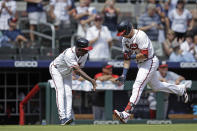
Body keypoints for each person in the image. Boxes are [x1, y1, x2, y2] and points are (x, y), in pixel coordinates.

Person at [113, 20, 190, 123]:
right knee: (156, 86)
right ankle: (180, 89)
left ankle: (126, 113)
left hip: (150, 61)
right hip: (141, 63)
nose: (124, 36)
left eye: (124, 33)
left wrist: (131, 56)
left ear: (129, 29)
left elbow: (144, 54)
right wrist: (124, 74)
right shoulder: (124, 40)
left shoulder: (140, 35)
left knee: (137, 86)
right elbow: (126, 59)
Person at [49, 38, 97, 125]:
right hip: (56, 69)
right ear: (78, 49)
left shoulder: (85, 55)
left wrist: (77, 76)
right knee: (60, 91)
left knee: (68, 93)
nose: (87, 51)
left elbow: (79, 70)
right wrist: (92, 80)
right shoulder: (69, 53)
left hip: (68, 72)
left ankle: (68, 117)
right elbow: (78, 70)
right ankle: (62, 118)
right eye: (85, 50)